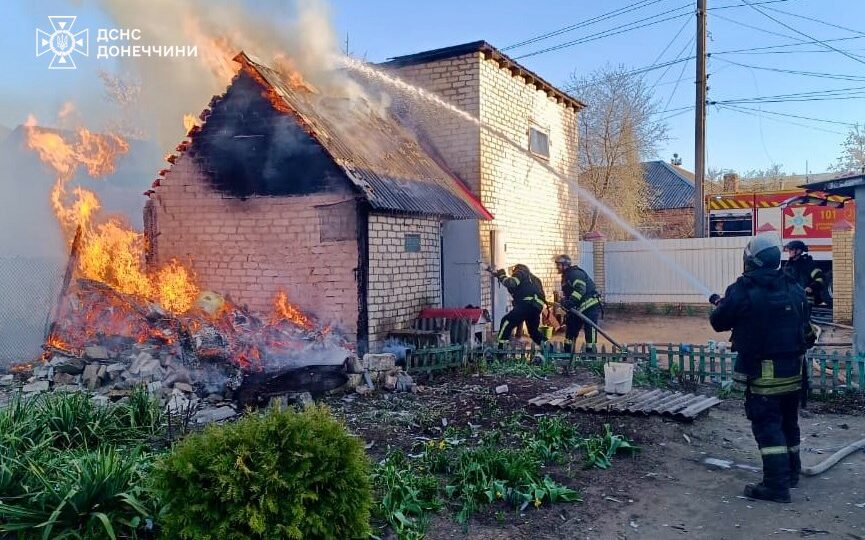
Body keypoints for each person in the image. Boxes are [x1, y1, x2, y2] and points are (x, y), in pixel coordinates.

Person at [709, 233, 817, 503]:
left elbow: (719, 322)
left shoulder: (743, 289)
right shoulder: (792, 284)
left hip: (764, 376)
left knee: (768, 428)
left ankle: (776, 486)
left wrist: (721, 305)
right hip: (795, 373)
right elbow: (807, 330)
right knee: (789, 423)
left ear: (751, 260)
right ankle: (791, 474)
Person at [554, 255, 602, 352]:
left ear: (565, 265)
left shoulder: (575, 273)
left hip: (590, 306)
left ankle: (590, 354)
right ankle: (568, 352)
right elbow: (569, 292)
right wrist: (565, 301)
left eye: (558, 265)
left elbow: (580, 289)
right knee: (571, 327)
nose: (557, 267)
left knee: (590, 329)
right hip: (578, 307)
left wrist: (571, 301)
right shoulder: (566, 276)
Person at [494, 264, 547, 346]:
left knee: (506, 322)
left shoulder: (521, 272)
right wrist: (500, 278)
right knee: (534, 332)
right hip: (537, 307)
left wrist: (502, 275)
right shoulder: (535, 279)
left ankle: (500, 350)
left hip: (526, 305)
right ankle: (550, 349)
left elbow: (511, 283)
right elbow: (515, 289)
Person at [782, 240, 825, 306]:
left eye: (791, 249)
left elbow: (820, 278)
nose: (789, 251)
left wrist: (811, 287)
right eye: (789, 249)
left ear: (799, 251)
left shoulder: (808, 264)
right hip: (791, 300)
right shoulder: (788, 265)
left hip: (805, 300)